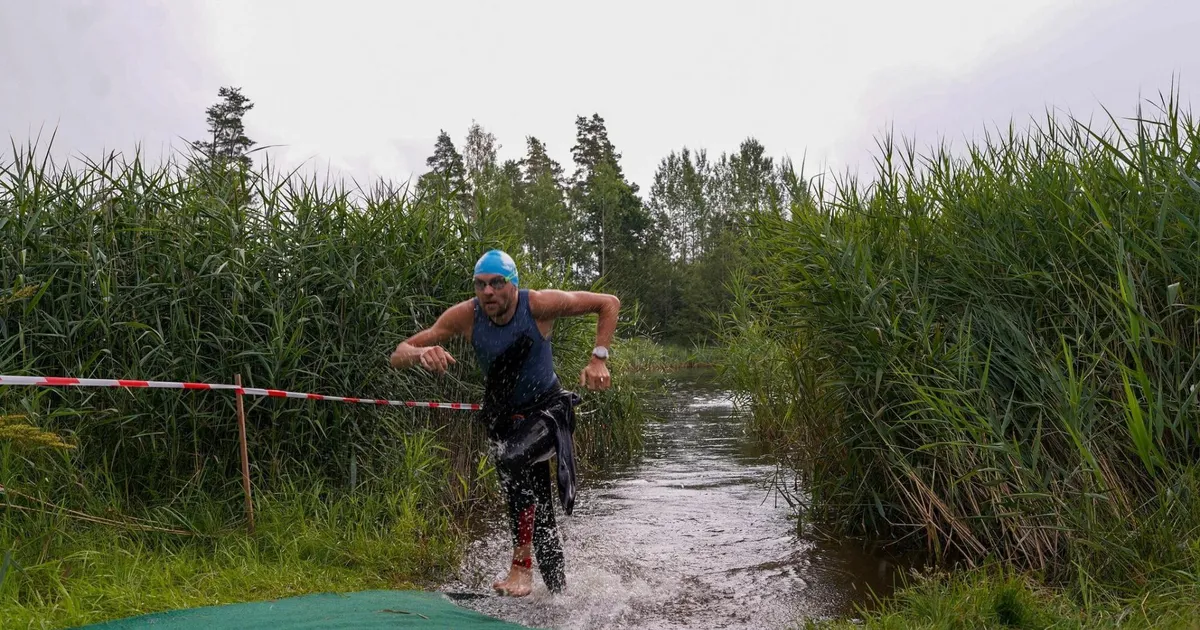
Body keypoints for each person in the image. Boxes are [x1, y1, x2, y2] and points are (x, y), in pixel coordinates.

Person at [388, 249, 620, 597]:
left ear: (513, 284)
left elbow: (608, 303)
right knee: (541, 519)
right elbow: (398, 354)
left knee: (510, 458)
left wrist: (599, 357)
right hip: (510, 422)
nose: (488, 292)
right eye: (480, 285)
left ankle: (521, 568)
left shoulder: (538, 305)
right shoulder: (465, 315)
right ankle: (558, 600)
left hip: (550, 414)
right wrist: (421, 353)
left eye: (497, 283)